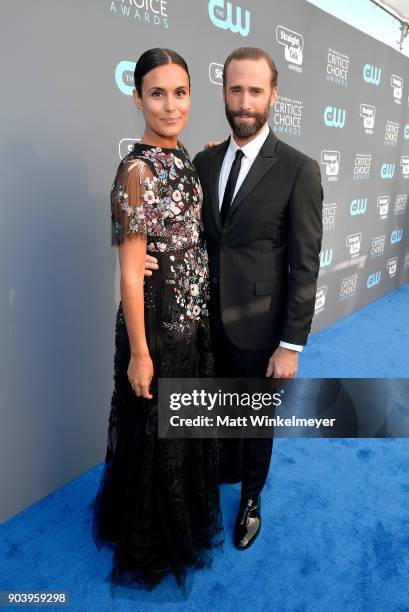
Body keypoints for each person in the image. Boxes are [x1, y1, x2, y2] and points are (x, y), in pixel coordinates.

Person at [145, 47, 323, 550]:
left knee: (258, 420)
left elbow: (304, 265)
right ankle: (221, 472)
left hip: (261, 326)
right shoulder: (204, 160)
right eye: (235, 89)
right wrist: (149, 256)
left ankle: (251, 497)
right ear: (222, 92)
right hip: (204, 321)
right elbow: (180, 229)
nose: (244, 102)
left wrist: (291, 345)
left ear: (273, 95)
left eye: (255, 90)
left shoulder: (298, 169)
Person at [91, 48, 224, 598]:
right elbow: (128, 277)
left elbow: (184, 216)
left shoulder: (184, 156)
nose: (170, 105)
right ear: (137, 97)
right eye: (157, 93)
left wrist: (209, 155)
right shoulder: (137, 171)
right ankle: (151, 544)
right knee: (155, 440)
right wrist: (140, 353)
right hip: (155, 330)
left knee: (181, 433)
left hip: (191, 324)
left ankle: (180, 522)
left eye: (181, 92)